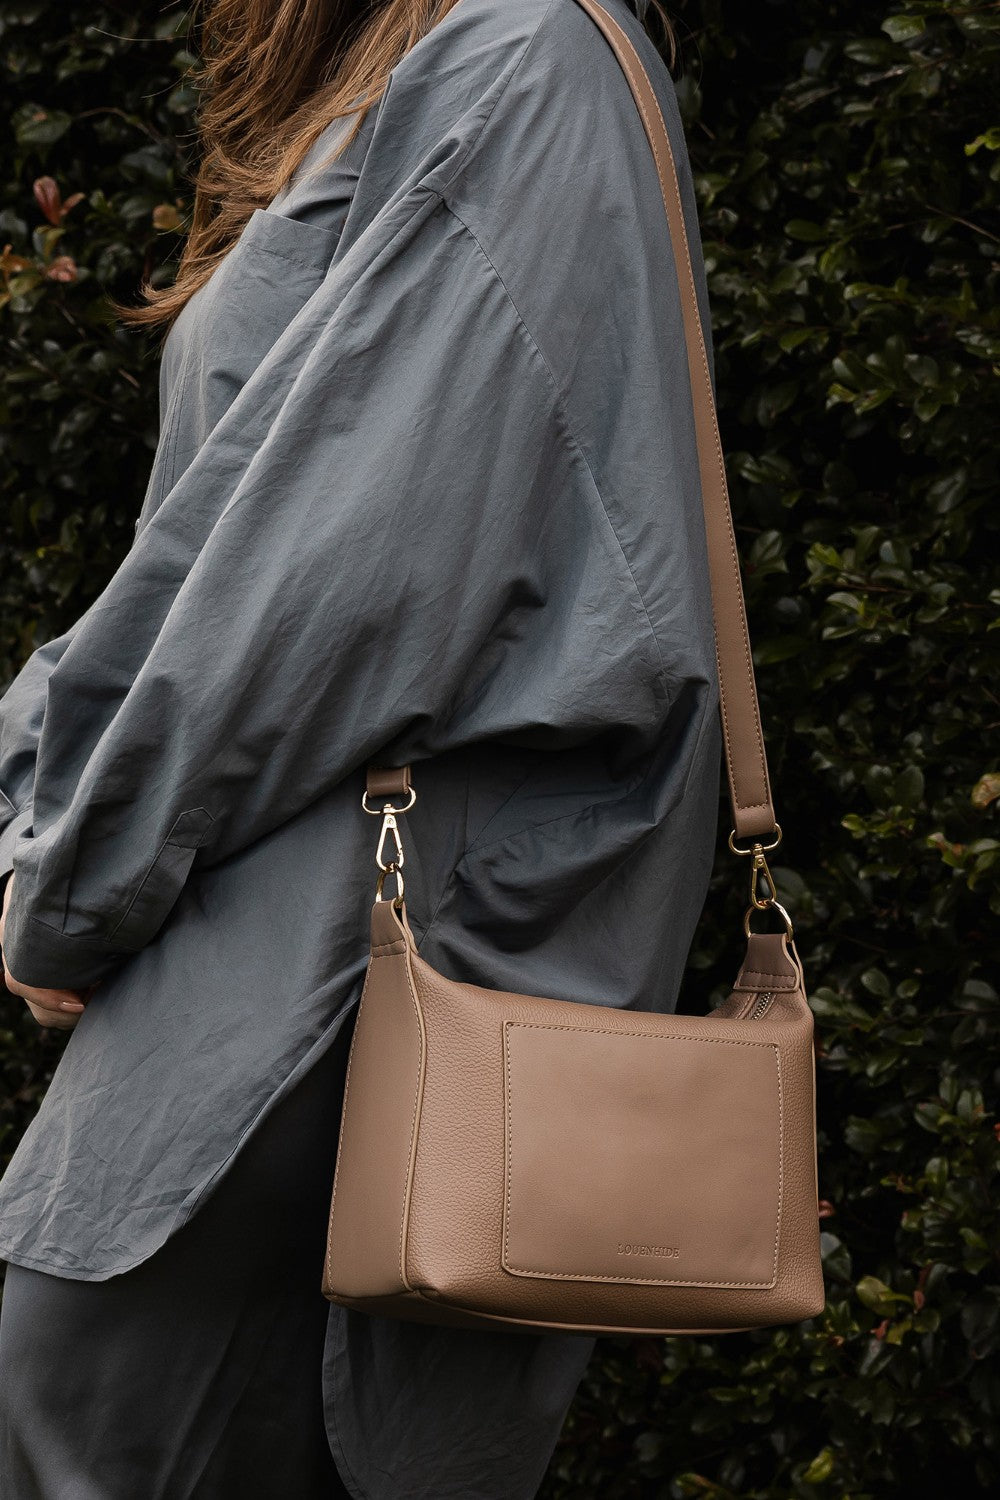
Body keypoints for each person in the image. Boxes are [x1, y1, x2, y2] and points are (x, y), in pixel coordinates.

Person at [0, 1, 723, 1495]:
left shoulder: (523, 57)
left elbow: (343, 574)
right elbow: (215, 550)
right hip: (290, 966)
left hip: (340, 973)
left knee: (80, 1417)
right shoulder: (435, 61)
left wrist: (76, 862)